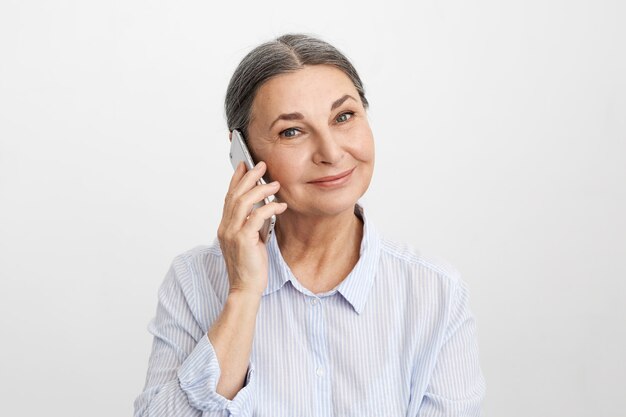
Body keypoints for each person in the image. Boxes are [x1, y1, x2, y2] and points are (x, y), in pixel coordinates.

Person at [133, 33, 486, 417]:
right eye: (292, 131)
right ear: (244, 154)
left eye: (344, 117)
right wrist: (243, 293)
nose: (332, 153)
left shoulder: (435, 292)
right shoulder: (194, 281)